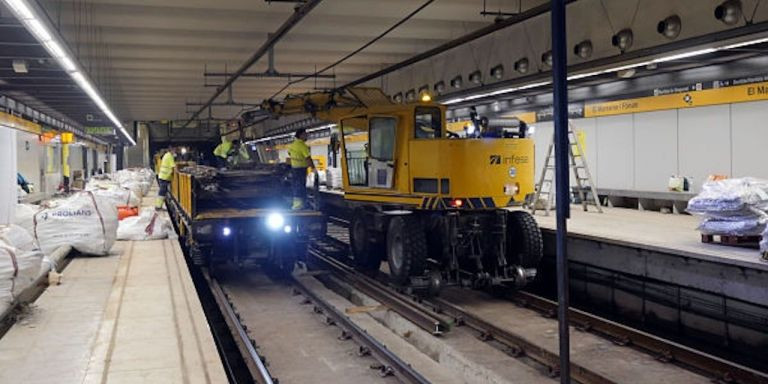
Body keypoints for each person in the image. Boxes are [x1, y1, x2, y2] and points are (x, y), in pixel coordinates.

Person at [287, 129, 316, 210]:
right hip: (301, 169)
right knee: (301, 186)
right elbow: (308, 158)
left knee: (296, 186)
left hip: (294, 168)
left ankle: (297, 204)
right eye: (305, 134)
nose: (307, 136)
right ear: (300, 135)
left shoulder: (292, 145)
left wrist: (295, 158)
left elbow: (289, 153)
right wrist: (313, 168)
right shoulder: (302, 145)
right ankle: (300, 205)